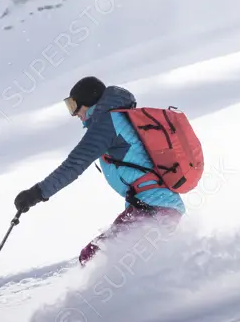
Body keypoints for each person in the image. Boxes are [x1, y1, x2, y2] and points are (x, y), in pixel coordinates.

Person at [14, 76, 186, 265]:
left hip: (152, 208)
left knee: (95, 257)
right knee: (127, 264)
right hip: (157, 207)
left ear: (88, 101)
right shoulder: (118, 117)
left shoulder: (107, 123)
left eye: (74, 106)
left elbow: (74, 165)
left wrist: (36, 193)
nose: (74, 114)